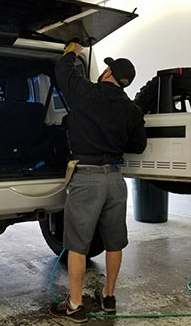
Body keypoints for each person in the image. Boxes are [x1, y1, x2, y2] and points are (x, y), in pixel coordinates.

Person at [49, 43, 147, 323]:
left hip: (87, 179)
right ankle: (109, 297)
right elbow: (138, 146)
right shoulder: (132, 110)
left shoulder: (85, 93)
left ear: (107, 73)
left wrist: (72, 51)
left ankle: (75, 305)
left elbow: (62, 70)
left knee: (78, 245)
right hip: (115, 180)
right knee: (115, 241)